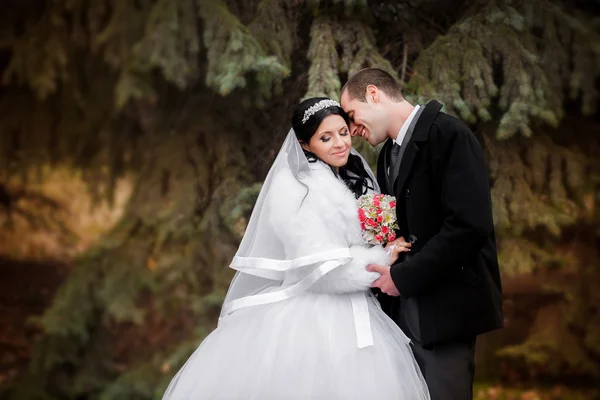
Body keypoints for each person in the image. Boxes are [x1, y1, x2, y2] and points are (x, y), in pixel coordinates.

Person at [162, 97, 430, 400]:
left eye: (343, 132)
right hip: (312, 318)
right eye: (325, 138)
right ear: (305, 144)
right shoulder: (293, 189)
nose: (340, 143)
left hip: (361, 313)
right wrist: (381, 258)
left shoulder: (351, 176)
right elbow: (321, 270)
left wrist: (385, 242)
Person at [340, 68, 504, 400]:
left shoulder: (449, 135)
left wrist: (405, 277)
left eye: (353, 116)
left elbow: (469, 225)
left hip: (446, 313)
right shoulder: (387, 155)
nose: (352, 130)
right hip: (403, 318)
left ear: (374, 94)